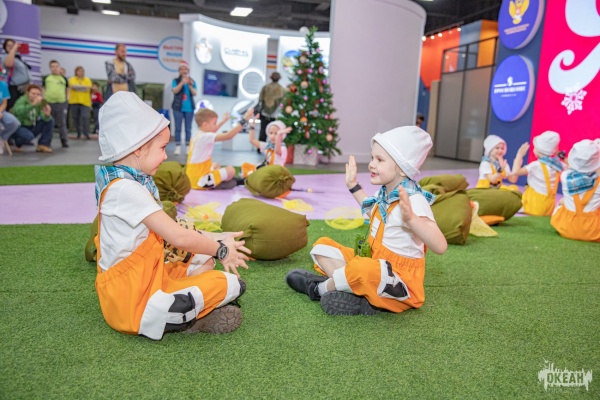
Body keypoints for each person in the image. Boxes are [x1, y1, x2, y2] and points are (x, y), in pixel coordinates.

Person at [94, 91, 251, 340]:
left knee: (203, 260)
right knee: (230, 284)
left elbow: (173, 228)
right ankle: (177, 315)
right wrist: (220, 249)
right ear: (138, 149)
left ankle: (189, 311)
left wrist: (218, 236)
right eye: (162, 148)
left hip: (147, 273)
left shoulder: (130, 182)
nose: (166, 156)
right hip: (132, 296)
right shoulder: (126, 189)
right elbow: (179, 237)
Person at [286, 126, 447, 315]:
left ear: (402, 169)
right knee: (322, 246)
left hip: (398, 279)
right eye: (372, 158)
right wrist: (353, 186)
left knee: (361, 269)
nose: (371, 164)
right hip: (374, 261)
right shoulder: (386, 192)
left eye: (380, 160)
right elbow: (374, 212)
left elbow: (440, 246)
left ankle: (318, 289)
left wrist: (412, 220)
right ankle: (353, 290)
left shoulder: (413, 201)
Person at [186, 108, 252, 190]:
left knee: (216, 165)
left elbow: (213, 130)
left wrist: (223, 121)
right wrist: (244, 120)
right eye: (214, 123)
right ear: (205, 125)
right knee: (231, 170)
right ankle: (222, 184)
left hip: (192, 177)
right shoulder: (205, 136)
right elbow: (228, 136)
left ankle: (220, 181)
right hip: (200, 180)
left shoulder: (197, 134)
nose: (215, 126)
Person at [550, 139, 600, 242]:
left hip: (566, 227)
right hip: (593, 231)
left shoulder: (565, 176)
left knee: (562, 202)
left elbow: (572, 167)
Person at [511, 131, 565, 216]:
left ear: (539, 151)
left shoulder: (536, 165)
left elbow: (515, 172)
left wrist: (519, 155)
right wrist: (559, 154)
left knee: (512, 192)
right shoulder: (558, 165)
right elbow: (571, 166)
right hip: (549, 207)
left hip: (534, 205)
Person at [11, 84, 54, 153]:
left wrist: (47, 115)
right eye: (33, 94)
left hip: (32, 125)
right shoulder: (21, 100)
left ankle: (43, 144)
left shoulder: (40, 102)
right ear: (28, 93)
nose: (35, 96)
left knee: (50, 120)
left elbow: (43, 117)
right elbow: (19, 112)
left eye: (38, 94)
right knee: (28, 136)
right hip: (20, 126)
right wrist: (32, 105)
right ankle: (18, 142)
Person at [171, 61, 197, 155]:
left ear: (188, 70)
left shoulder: (192, 81)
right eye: (182, 69)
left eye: (185, 69)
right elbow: (175, 90)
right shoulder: (175, 81)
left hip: (189, 109)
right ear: (179, 71)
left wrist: (189, 85)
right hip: (178, 108)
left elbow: (195, 93)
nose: (184, 70)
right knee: (178, 128)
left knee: (188, 129)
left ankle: (187, 147)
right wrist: (182, 82)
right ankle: (177, 147)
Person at [42, 60, 70, 148]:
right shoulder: (47, 78)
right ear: (50, 68)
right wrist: (44, 102)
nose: (55, 68)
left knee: (62, 122)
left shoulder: (63, 79)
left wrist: (67, 100)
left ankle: (64, 140)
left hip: (61, 103)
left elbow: (67, 89)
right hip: (49, 103)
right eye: (52, 66)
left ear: (59, 67)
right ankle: (46, 141)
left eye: (56, 66)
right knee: (48, 122)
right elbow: (43, 89)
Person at [1, 38, 32, 110]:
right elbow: (9, 64)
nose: (11, 47)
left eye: (12, 45)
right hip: (15, 88)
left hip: (24, 88)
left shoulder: (18, 58)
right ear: (5, 48)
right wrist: (13, 49)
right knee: (13, 108)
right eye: (8, 45)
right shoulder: (6, 56)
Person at [257, 72, 286, 145]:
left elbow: (260, 100)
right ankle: (272, 148)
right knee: (274, 133)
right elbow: (283, 102)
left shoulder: (265, 87)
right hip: (275, 115)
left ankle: (260, 148)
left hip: (264, 113)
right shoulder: (281, 89)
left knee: (263, 132)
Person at [68, 66, 93, 140]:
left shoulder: (87, 80)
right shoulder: (72, 79)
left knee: (85, 117)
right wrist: (83, 87)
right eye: (78, 71)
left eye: (81, 71)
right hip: (74, 101)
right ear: (76, 72)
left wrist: (78, 88)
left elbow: (88, 88)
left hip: (85, 102)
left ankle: (86, 133)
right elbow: (73, 86)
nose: (80, 72)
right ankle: (78, 133)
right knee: (76, 118)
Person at [0, 79, 21, 151]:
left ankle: (2, 138)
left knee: (14, 123)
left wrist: (0, 111)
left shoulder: (3, 85)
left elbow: (4, 103)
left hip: (1, 110)